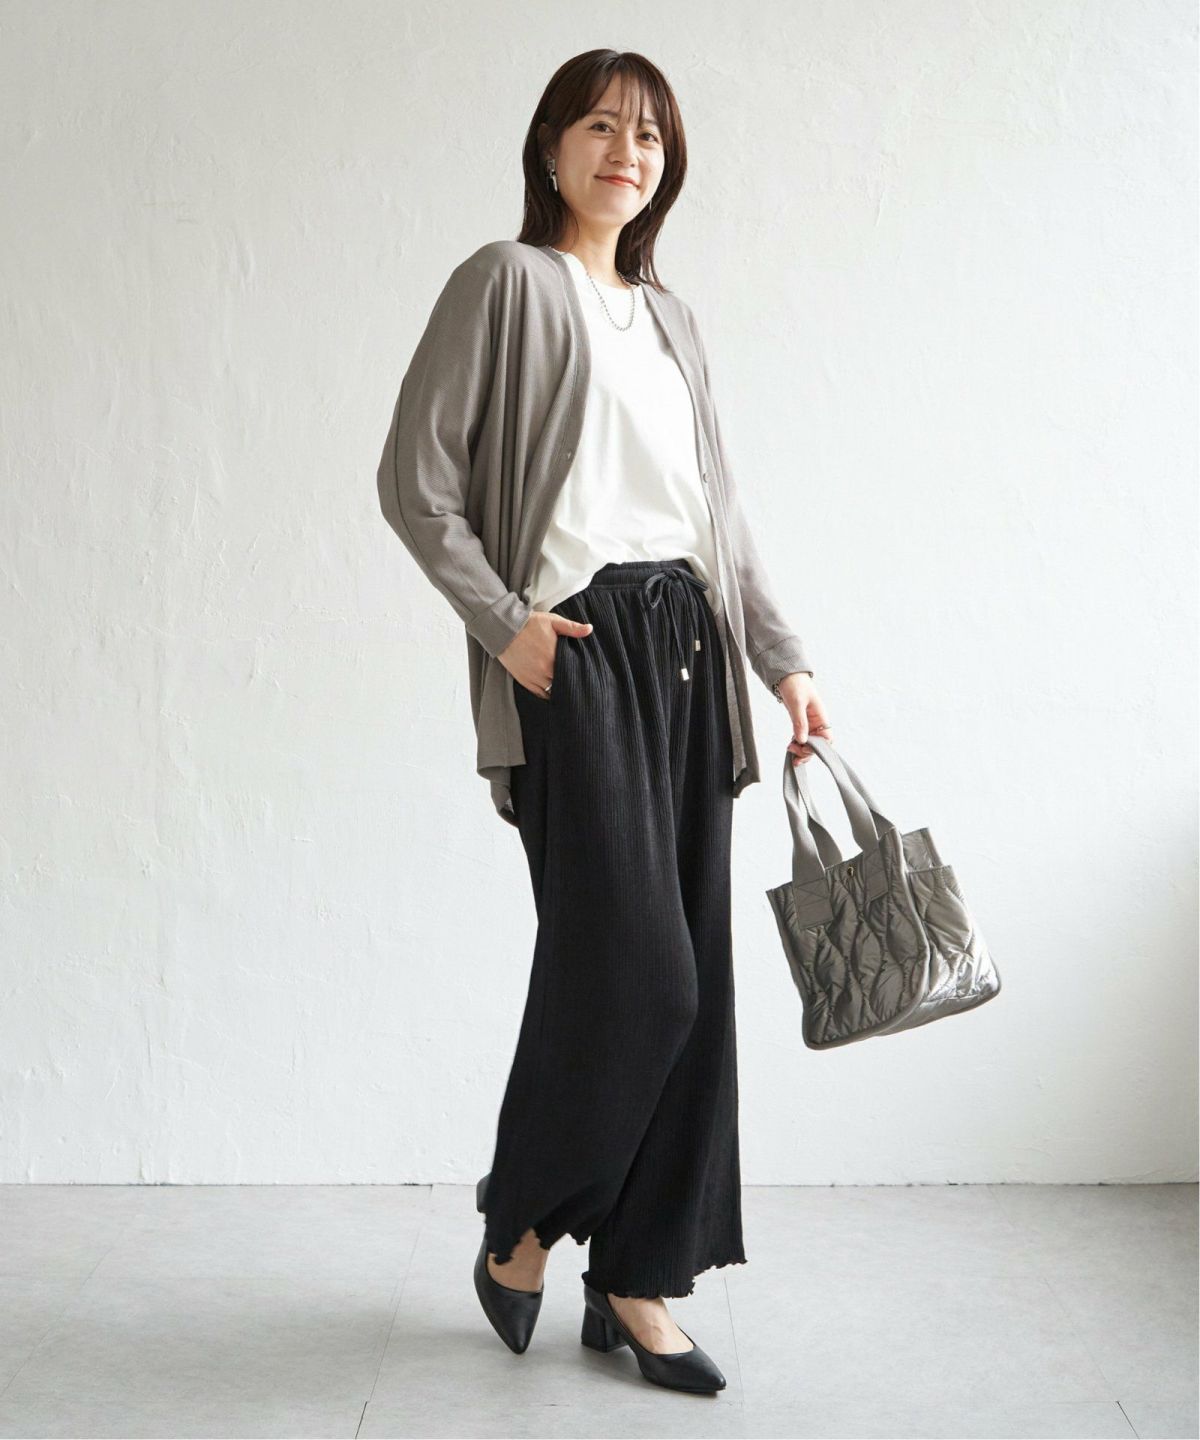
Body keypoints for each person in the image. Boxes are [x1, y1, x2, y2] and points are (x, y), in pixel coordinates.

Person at [376, 49, 833, 1395]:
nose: (625, 152)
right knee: (637, 971)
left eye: (649, 136)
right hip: (575, 651)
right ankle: (519, 1220)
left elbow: (720, 514)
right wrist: (505, 623)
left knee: (692, 986)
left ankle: (637, 1277)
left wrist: (784, 662)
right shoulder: (505, 283)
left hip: (688, 649)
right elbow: (413, 481)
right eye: (599, 126)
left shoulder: (674, 320)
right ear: (551, 147)